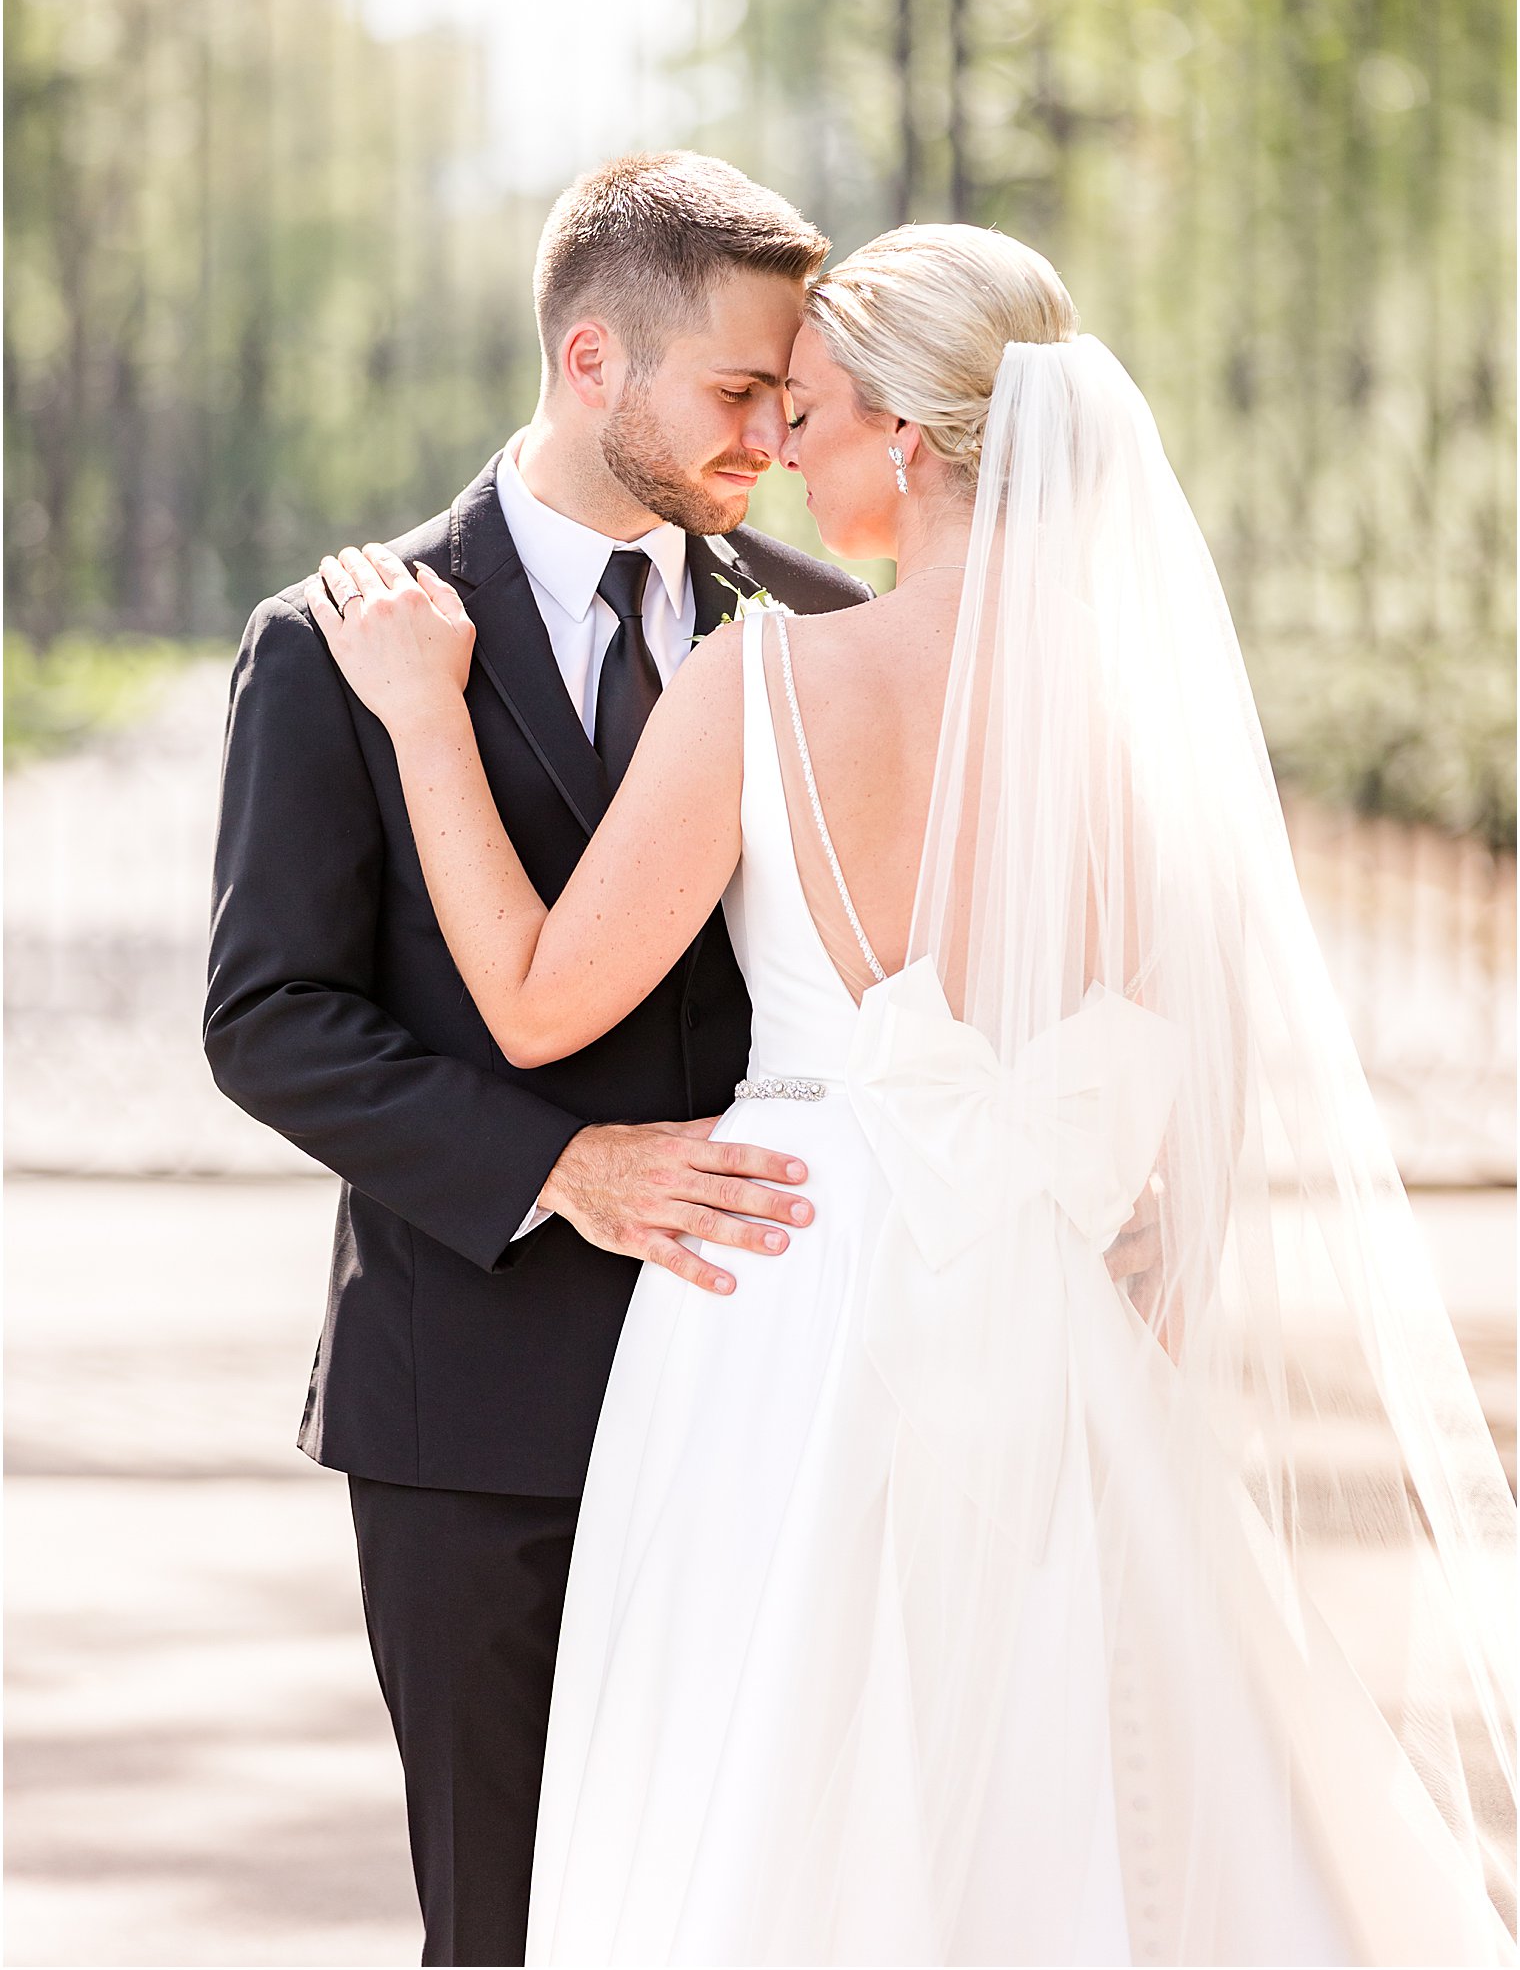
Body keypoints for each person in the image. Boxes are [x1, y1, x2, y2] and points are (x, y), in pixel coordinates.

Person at [308, 222, 1516, 1968]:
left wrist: (425, 715)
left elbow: (534, 996)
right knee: (1060, 1803)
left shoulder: (765, 681)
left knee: (764, 1787)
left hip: (779, 1296)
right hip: (1050, 1312)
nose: (783, 446)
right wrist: (1129, 1298)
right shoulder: (1139, 720)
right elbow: (1203, 1098)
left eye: (808, 407)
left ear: (909, 439)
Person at [204, 153, 884, 1967]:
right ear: (596, 363)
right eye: (742, 389)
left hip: (767, 1372)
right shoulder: (339, 643)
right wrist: (557, 1170)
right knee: (500, 1927)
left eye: (790, 389)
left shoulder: (823, 633)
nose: (778, 426)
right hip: (470, 1409)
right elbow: (268, 1018)